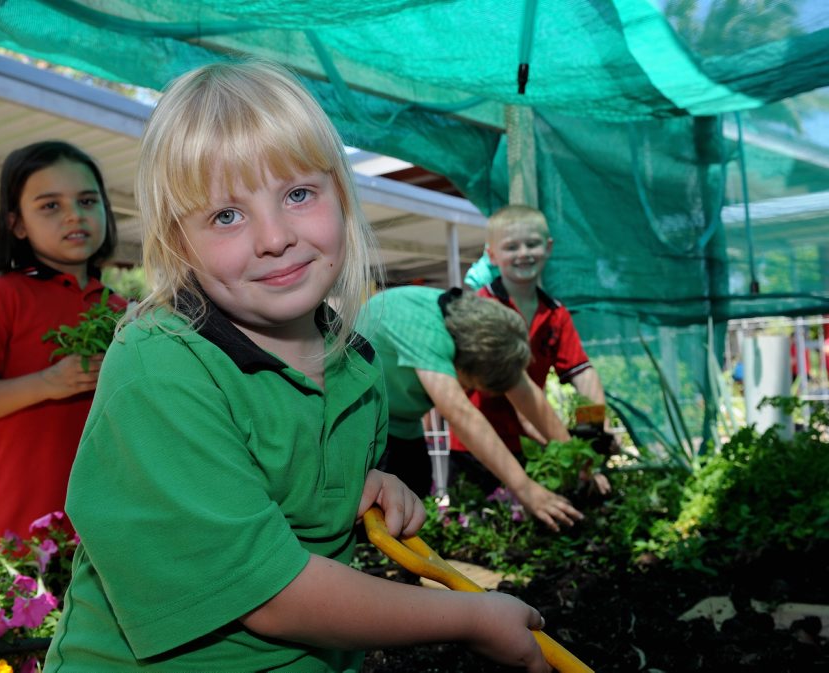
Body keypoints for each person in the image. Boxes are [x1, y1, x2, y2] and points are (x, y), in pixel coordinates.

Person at [44, 60, 550, 672]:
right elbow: (271, 594)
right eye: (226, 215)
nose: (275, 236)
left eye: (298, 194)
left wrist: (367, 491)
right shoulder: (162, 366)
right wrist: (471, 616)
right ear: (180, 243)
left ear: (341, 195)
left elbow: (293, 499)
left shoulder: (354, 365)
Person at [0, 141, 128, 544]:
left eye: (87, 200)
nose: (75, 215)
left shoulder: (122, 310)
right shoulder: (2, 299)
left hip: (111, 518)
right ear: (17, 224)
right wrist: (48, 383)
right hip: (25, 526)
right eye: (50, 206)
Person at [356, 285, 583, 531]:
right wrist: (525, 489)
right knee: (375, 516)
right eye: (472, 385)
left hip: (403, 422)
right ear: (461, 366)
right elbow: (460, 415)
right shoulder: (425, 330)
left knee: (414, 499)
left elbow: (528, 395)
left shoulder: (479, 330)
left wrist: (580, 460)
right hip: (361, 423)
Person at [458, 205, 612, 495]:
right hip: (477, 445)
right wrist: (575, 455)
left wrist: (595, 431)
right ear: (492, 255)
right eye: (511, 246)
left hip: (529, 444)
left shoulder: (556, 314)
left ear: (548, 247)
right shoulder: (481, 307)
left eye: (532, 243)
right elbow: (517, 391)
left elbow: (582, 373)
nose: (523, 253)